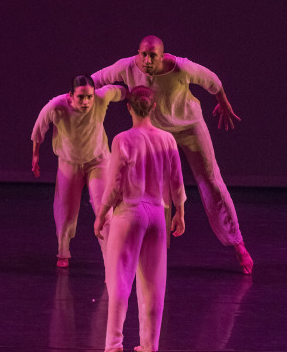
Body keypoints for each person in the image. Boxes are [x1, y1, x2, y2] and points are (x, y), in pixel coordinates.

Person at [92, 35, 253, 274]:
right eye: (143, 54)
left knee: (210, 180)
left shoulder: (181, 67)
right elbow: (96, 79)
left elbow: (213, 81)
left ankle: (238, 244)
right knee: (153, 186)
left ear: (162, 55)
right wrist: (73, 99)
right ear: (137, 53)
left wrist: (224, 102)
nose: (147, 60)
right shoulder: (126, 66)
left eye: (153, 56)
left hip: (189, 125)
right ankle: (153, 251)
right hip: (157, 131)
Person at [92, 86, 186, 352]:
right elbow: (177, 180)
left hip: (130, 212)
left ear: (129, 108)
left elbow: (115, 183)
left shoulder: (123, 139)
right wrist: (179, 212)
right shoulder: (167, 139)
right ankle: (150, 344)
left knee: (119, 278)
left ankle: (113, 343)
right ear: (154, 106)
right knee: (154, 281)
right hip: (158, 212)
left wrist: (102, 213)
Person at [31, 75, 126, 267]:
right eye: (81, 97)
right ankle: (63, 251)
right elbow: (38, 130)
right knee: (66, 210)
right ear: (70, 96)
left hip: (98, 160)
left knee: (104, 208)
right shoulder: (56, 106)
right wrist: (35, 157)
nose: (86, 102)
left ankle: (110, 258)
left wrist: (135, 92)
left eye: (89, 97)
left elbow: (121, 92)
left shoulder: (102, 97)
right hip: (69, 162)